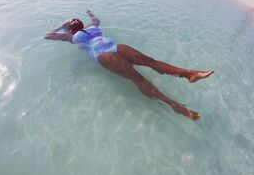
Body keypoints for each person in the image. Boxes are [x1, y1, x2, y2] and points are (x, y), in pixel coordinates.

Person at [45, 11, 213, 120]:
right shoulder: (70, 37)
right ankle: (173, 105)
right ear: (70, 29)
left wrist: (89, 13)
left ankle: (189, 74)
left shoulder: (91, 27)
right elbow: (48, 36)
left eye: (75, 19)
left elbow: (96, 20)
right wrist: (64, 25)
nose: (73, 20)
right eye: (71, 22)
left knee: (150, 61)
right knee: (136, 77)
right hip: (103, 55)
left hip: (115, 46)